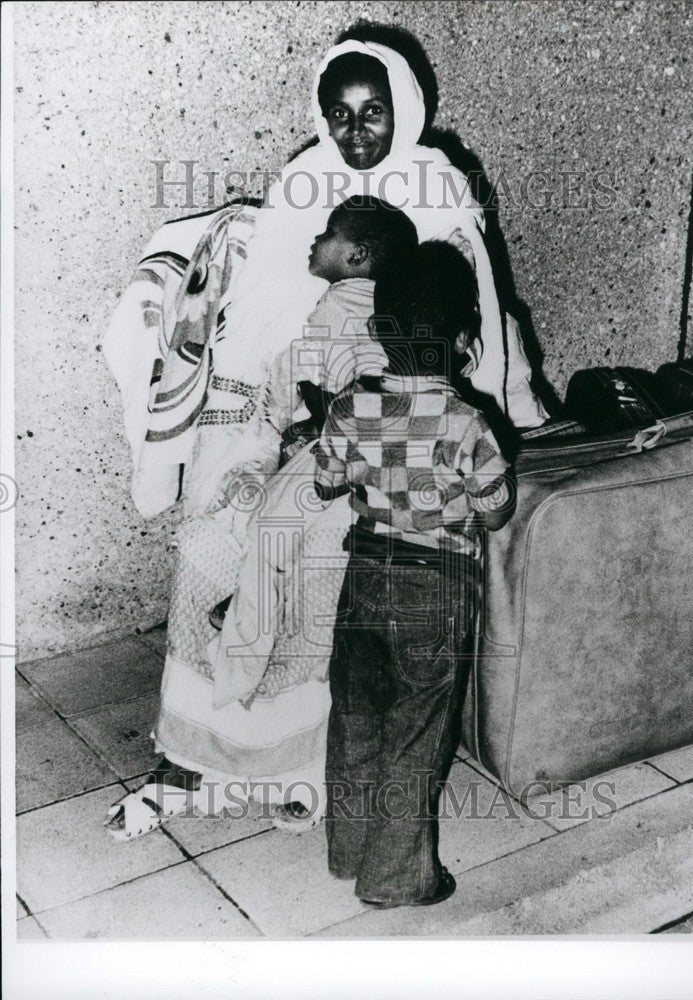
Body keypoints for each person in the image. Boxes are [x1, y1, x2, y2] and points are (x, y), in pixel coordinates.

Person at [104, 37, 543, 840]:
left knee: (320, 546)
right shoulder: (304, 181)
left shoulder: (436, 186)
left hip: (392, 426)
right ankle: (190, 753)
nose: (356, 132)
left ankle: (298, 765)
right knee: (209, 534)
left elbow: (464, 332)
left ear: (403, 107)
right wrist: (248, 436)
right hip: (290, 410)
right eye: (338, 115)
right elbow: (262, 332)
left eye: (372, 111)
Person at [314, 241, 516, 907]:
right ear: (464, 339)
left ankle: (346, 851)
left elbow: (324, 483)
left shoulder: (347, 407)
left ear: (376, 332)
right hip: (435, 585)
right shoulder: (466, 422)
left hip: (363, 574)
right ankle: (398, 876)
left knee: (356, 712)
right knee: (417, 727)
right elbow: (494, 510)